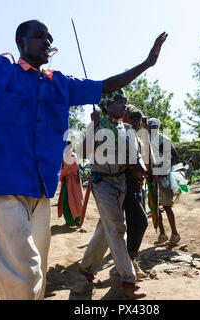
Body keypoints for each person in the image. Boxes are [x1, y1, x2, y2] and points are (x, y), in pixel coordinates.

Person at [0, 0, 167, 300]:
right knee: (26, 273)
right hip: (5, 191)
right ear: (20, 41)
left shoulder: (60, 83)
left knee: (37, 276)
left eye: (50, 38)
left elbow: (105, 85)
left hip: (42, 193)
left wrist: (146, 63)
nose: (47, 41)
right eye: (39, 35)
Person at [79, 91, 147, 299]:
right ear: (107, 104)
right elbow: (83, 152)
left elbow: (135, 156)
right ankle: (128, 279)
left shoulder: (127, 129)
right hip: (103, 183)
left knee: (106, 228)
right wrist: (93, 126)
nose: (123, 104)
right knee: (117, 228)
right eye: (119, 101)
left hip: (122, 182)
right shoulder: (98, 126)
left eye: (125, 101)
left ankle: (87, 267)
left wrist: (142, 169)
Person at [123, 105, 150, 279]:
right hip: (124, 187)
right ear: (126, 119)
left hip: (137, 186)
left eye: (138, 119)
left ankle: (130, 261)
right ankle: (129, 260)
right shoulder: (123, 135)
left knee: (134, 225)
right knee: (141, 222)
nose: (136, 122)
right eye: (132, 118)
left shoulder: (138, 139)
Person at [148, 118, 181, 246]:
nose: (151, 128)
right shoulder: (148, 141)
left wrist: (166, 169)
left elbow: (175, 156)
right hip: (152, 178)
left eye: (153, 126)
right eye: (149, 126)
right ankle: (162, 234)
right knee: (154, 208)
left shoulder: (163, 139)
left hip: (163, 177)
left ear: (157, 127)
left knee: (167, 206)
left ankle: (175, 234)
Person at [57, 141, 83, 227]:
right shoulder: (65, 156)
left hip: (73, 183)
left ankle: (78, 221)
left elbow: (67, 169)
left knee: (77, 201)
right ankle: (70, 222)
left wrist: (59, 174)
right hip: (68, 182)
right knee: (66, 201)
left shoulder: (72, 156)